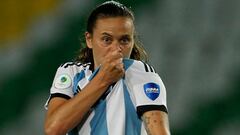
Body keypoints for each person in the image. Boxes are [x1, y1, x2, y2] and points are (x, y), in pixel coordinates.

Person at [44, 1, 170, 135]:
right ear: (89, 39)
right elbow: (53, 129)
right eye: (106, 39)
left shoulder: (142, 74)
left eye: (124, 40)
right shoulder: (71, 72)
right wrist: (103, 79)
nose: (116, 48)